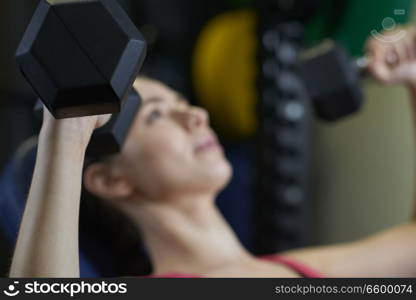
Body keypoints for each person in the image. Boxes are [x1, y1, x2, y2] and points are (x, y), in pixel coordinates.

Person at [9, 27, 416, 278]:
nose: (196, 116)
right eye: (155, 116)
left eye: (183, 103)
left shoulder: (292, 272)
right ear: (111, 180)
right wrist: (68, 132)